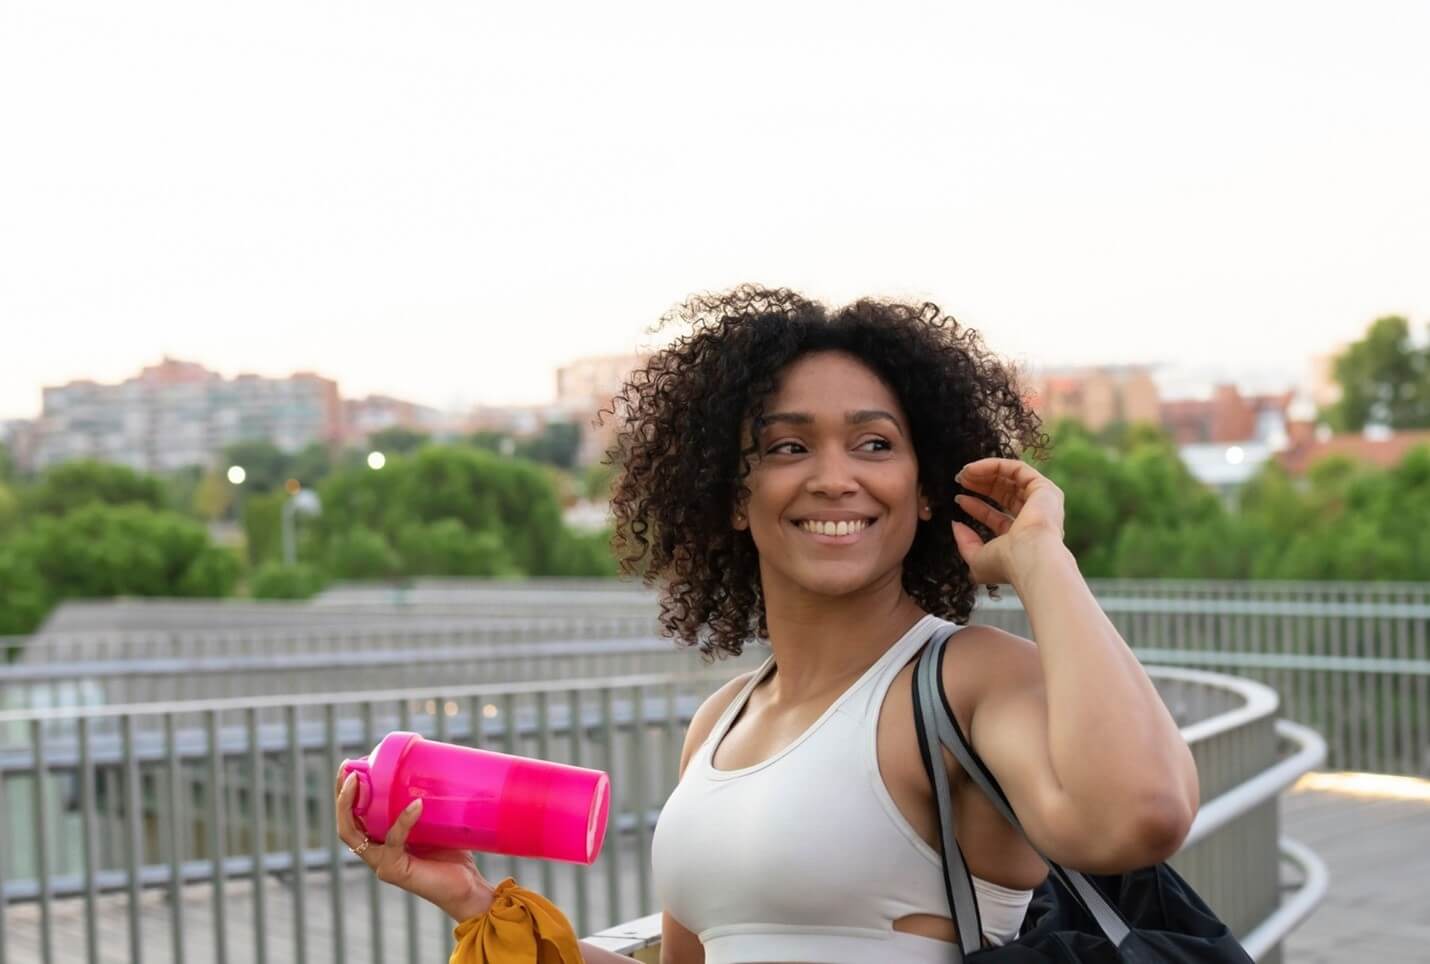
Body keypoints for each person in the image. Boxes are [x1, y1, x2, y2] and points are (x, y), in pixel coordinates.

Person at [335, 284, 1201, 963]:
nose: (834, 477)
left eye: (874, 444)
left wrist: (1044, 561)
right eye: (789, 447)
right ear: (734, 497)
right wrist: (478, 908)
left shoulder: (965, 680)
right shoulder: (720, 723)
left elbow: (1140, 818)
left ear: (927, 484)